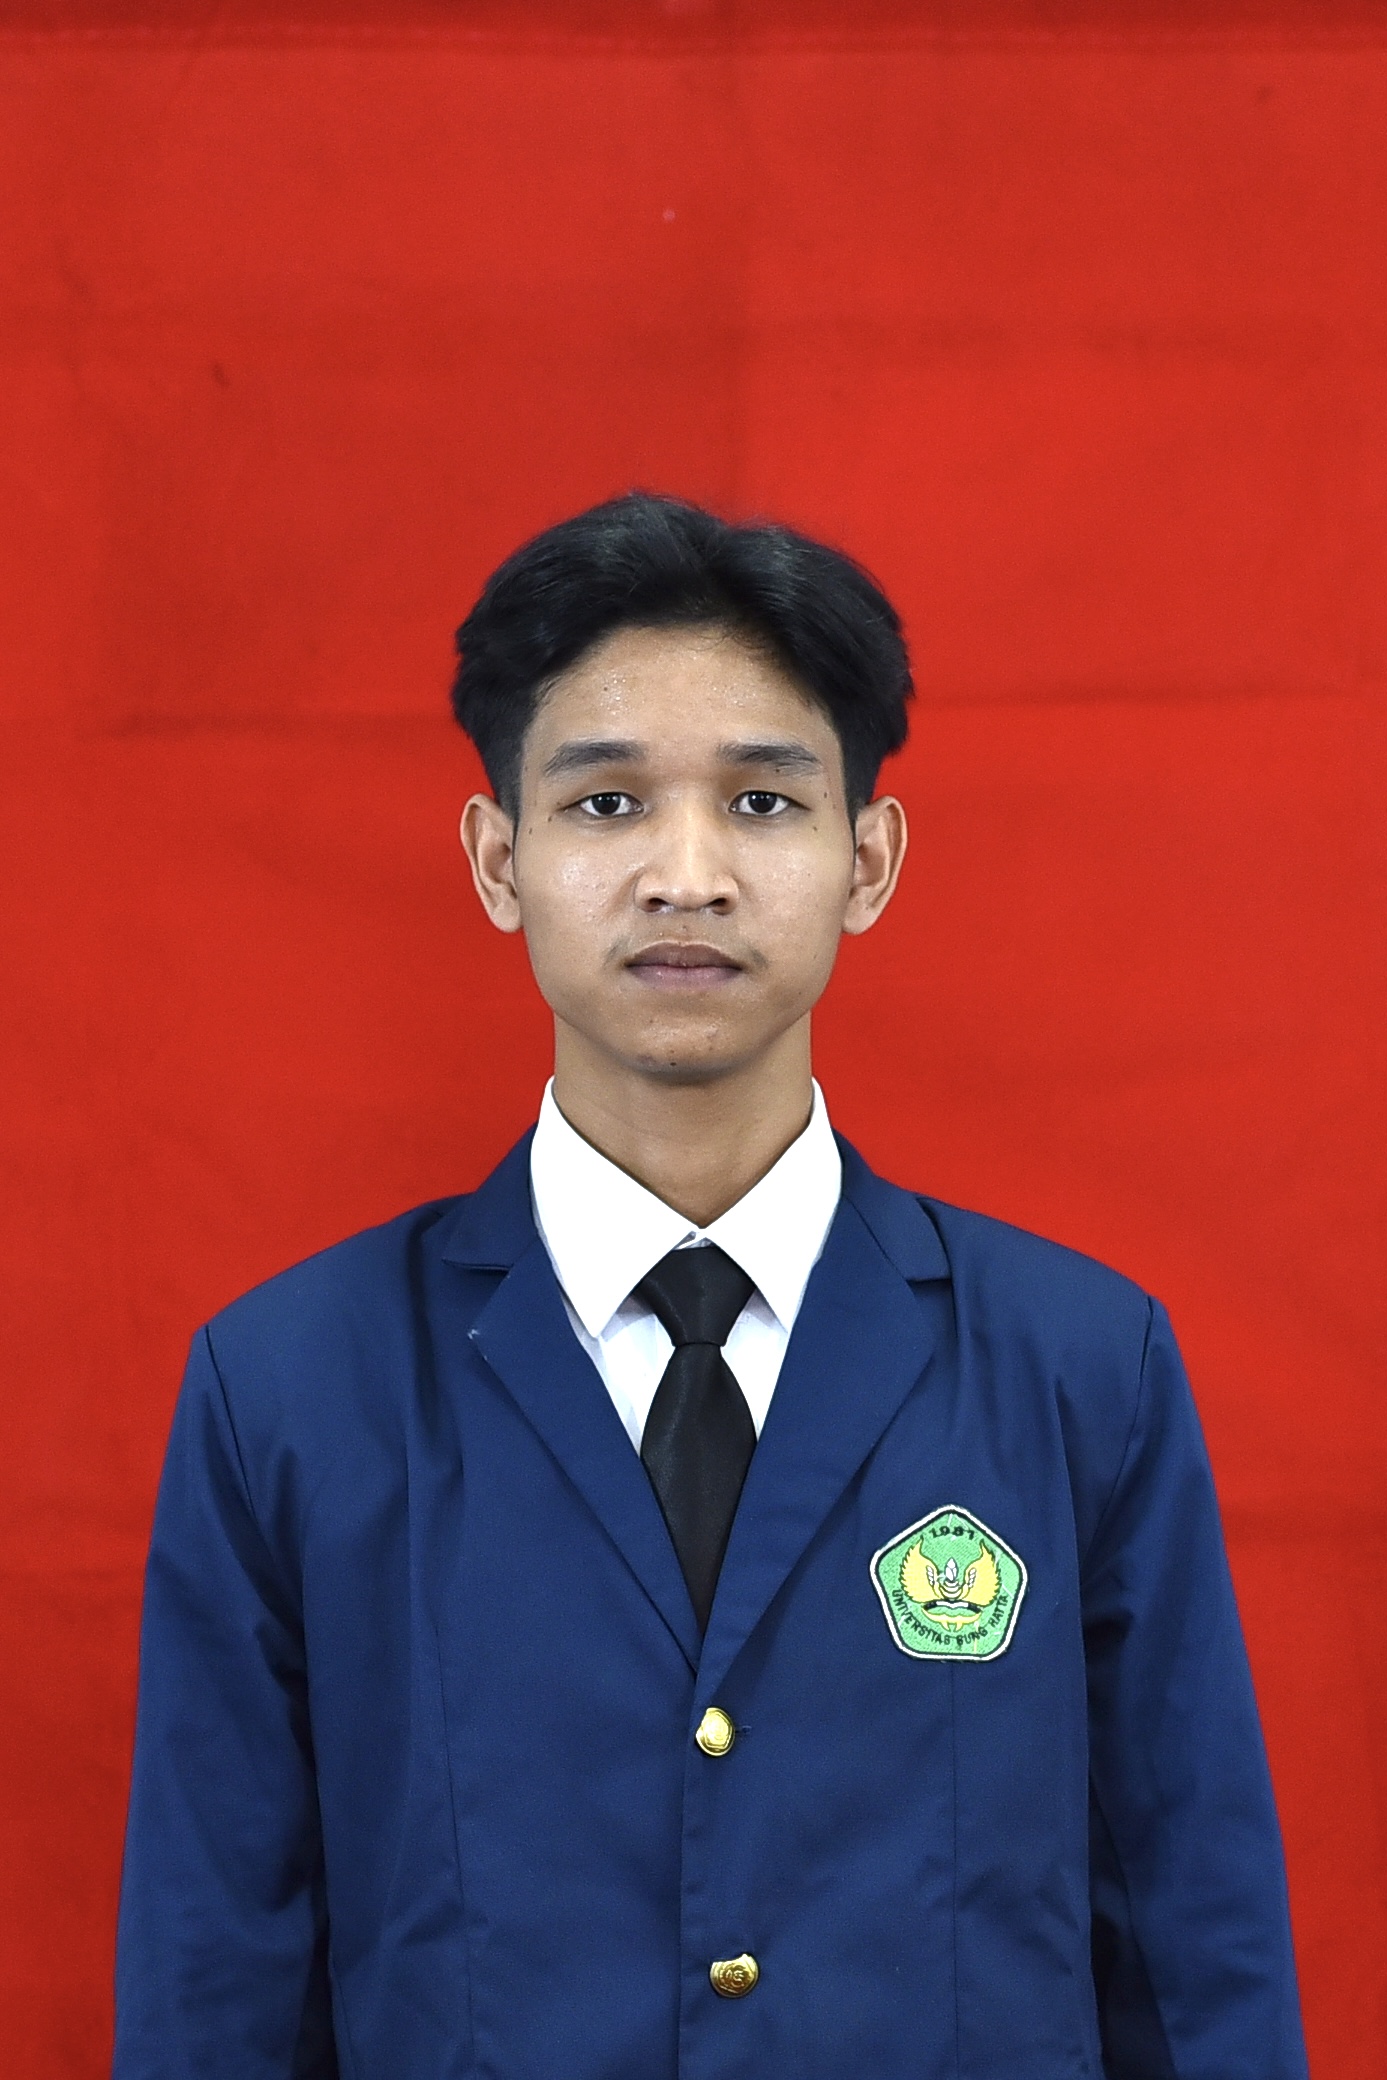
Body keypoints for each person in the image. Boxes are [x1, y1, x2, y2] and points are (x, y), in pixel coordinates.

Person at [113, 493, 1308, 2080]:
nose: (687, 875)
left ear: (868, 860)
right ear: (499, 860)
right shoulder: (288, 1393)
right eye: (606, 803)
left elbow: (1195, 1961)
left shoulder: (1083, 1368)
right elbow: (216, 1992)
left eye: (761, 801)